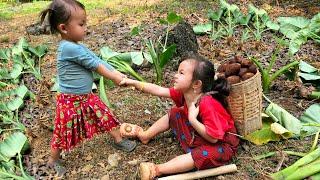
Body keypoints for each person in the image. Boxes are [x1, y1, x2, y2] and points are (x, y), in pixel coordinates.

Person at [39, 0, 136, 176]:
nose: (86, 28)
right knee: (62, 130)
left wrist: (117, 72)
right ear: (64, 28)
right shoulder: (68, 48)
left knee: (105, 115)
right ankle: (53, 160)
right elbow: (94, 65)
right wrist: (114, 77)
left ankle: (118, 139)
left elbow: (97, 59)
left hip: (85, 96)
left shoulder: (76, 46)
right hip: (70, 100)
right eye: (81, 24)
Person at [119, 54, 239, 180]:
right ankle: (145, 135)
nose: (175, 75)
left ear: (196, 84)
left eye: (181, 73)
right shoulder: (185, 93)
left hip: (221, 144)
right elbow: (158, 90)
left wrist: (192, 120)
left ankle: (157, 170)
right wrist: (133, 82)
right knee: (176, 113)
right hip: (201, 133)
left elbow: (214, 138)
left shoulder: (208, 103)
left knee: (199, 155)